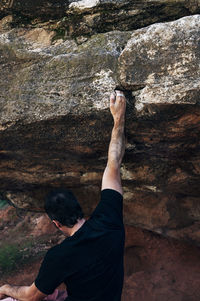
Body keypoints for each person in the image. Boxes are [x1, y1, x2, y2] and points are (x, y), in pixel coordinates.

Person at [0, 90, 126, 301]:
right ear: (78, 208)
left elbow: (30, 296)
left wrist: (7, 288)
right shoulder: (109, 219)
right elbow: (114, 161)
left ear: (56, 223)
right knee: (54, 294)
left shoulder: (60, 257)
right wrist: (119, 117)